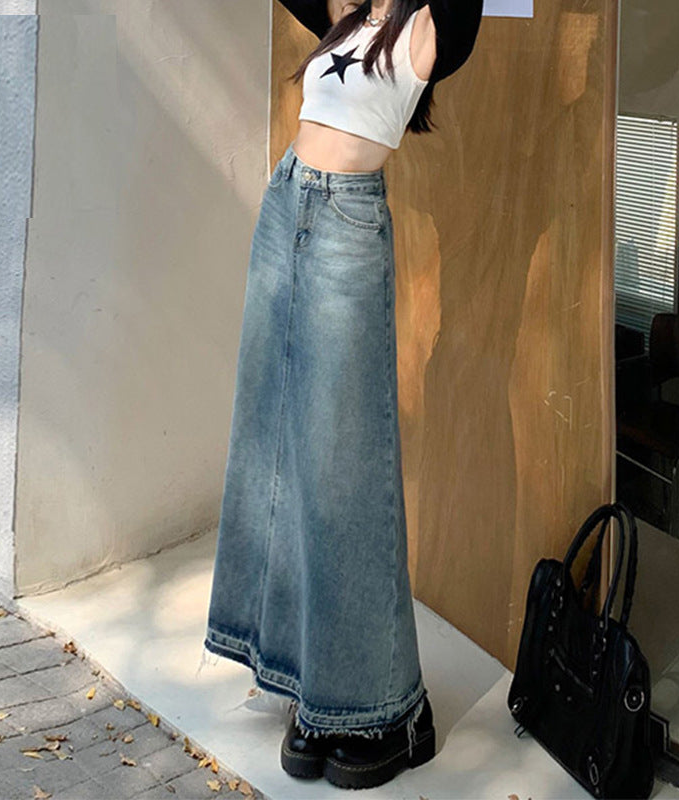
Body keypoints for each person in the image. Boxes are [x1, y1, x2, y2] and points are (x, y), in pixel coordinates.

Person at [202, 0, 483, 789]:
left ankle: (389, 709)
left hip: (347, 226)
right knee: (272, 444)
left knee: (344, 469)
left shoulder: (428, 26)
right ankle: (310, 681)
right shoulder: (352, 14)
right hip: (285, 203)